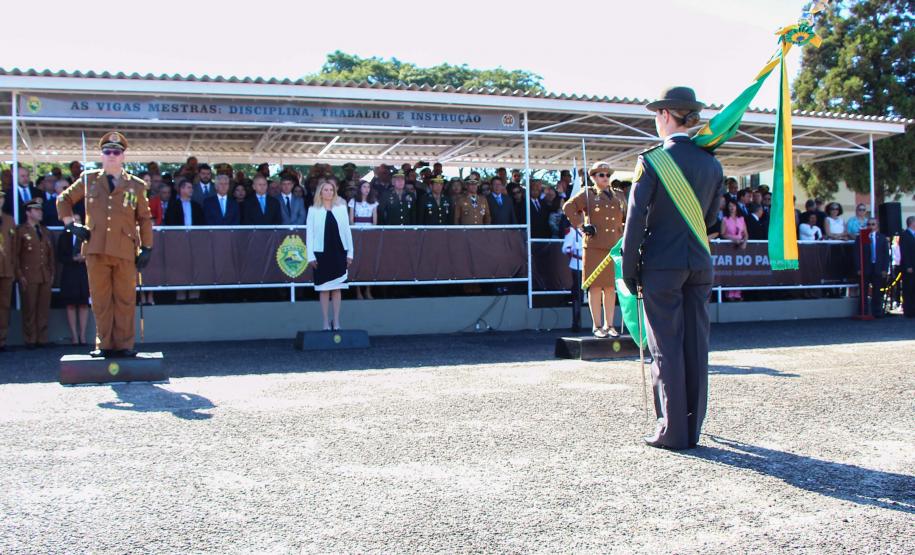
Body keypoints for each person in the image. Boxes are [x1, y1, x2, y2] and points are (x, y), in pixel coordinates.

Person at [621, 86, 723, 450]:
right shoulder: (712, 162)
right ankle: (693, 428)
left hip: (661, 266)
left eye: (656, 114)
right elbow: (711, 219)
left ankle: (672, 430)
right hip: (700, 262)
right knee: (696, 346)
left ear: (665, 114)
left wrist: (629, 269)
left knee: (665, 348)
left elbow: (634, 221)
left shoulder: (651, 161)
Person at [57, 131, 154, 358]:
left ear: (123, 156)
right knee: (100, 299)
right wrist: (71, 225)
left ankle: (124, 344)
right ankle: (104, 344)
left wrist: (147, 247)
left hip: (124, 249)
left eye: (116, 152)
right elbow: (64, 199)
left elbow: (145, 218)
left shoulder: (136, 185)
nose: (112, 155)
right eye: (107, 151)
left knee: (124, 299)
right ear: (102, 155)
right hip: (96, 248)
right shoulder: (89, 179)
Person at [563, 161, 627, 337]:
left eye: (607, 175)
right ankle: (597, 326)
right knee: (596, 286)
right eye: (601, 175)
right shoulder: (588, 194)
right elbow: (568, 207)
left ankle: (609, 325)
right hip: (594, 245)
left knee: (610, 287)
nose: (605, 178)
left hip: (613, 245)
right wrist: (582, 226)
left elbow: (626, 217)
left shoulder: (619, 195)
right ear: (593, 177)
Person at [307, 181, 354, 330]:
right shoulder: (313, 210)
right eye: (325, 190)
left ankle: (337, 321)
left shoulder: (341, 209)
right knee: (324, 288)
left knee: (337, 288)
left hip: (339, 251)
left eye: (331, 190)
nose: (328, 192)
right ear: (320, 192)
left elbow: (347, 231)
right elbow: (309, 234)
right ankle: (325, 322)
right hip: (321, 253)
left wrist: (350, 253)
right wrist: (310, 256)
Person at [15, 199, 55, 348]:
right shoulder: (21, 231)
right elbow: (16, 255)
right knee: (29, 308)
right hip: (29, 275)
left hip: (44, 274)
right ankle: (30, 339)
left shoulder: (45, 231)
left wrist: (51, 273)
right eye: (36, 210)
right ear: (28, 212)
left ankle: (42, 338)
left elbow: (51, 255)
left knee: (43, 308)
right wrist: (20, 276)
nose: (40, 213)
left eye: (41, 210)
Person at [57, 213, 90, 345]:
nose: (76, 223)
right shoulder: (64, 237)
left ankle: (82, 336)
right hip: (69, 273)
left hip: (83, 272)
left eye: (78, 220)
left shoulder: (88, 237)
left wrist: (84, 258)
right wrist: (73, 259)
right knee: (70, 304)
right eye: (74, 221)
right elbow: (60, 256)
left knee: (83, 304)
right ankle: (74, 336)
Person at [854, 218, 890, 318]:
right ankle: (863, 311)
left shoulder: (882, 238)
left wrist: (884, 269)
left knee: (877, 291)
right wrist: (858, 268)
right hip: (866, 267)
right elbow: (857, 254)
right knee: (864, 291)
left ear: (877, 225)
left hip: (877, 267)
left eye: (873, 224)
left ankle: (877, 312)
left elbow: (885, 255)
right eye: (869, 224)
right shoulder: (863, 236)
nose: (871, 226)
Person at [348, 181, 377, 301]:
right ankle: (358, 291)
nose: (366, 189)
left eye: (368, 187)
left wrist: (370, 232)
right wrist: (357, 232)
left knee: (368, 263)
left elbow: (375, 220)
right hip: (357, 234)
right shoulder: (353, 201)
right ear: (360, 188)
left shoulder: (373, 202)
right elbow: (351, 219)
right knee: (357, 262)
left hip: (369, 234)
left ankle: (368, 290)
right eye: (364, 187)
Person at [0, 191, 16, 351]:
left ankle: (2, 340)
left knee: (5, 306)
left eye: (1, 198)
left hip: (6, 269)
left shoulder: (9, 220)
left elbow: (15, 246)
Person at [900, 215, 915, 318]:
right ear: (912, 223)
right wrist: (908, 265)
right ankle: (909, 311)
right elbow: (905, 252)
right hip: (909, 266)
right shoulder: (905, 235)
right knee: (909, 288)